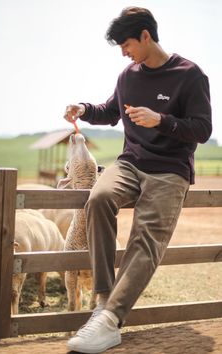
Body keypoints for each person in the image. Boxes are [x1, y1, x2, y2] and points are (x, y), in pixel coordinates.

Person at [64, 6, 212, 353]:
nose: (124, 52)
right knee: (99, 199)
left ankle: (111, 320)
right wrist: (84, 109)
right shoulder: (128, 76)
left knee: (146, 237)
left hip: (170, 169)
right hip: (130, 163)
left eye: (126, 44)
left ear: (146, 36)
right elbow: (111, 110)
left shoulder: (191, 76)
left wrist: (161, 120)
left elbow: (203, 129)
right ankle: (103, 301)